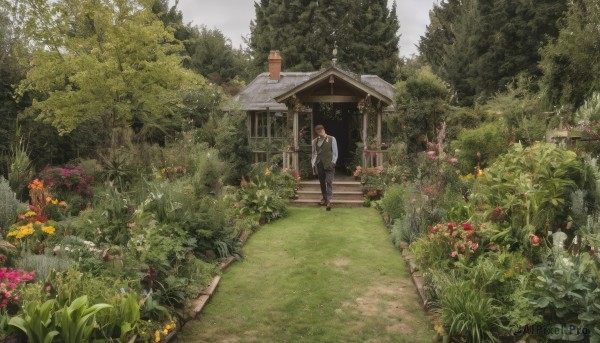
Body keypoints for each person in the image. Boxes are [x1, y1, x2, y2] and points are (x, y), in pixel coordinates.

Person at [311, 124, 338, 210]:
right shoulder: (314, 141)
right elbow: (314, 153)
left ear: (324, 130)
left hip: (329, 164)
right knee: (322, 182)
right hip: (319, 164)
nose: (320, 132)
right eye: (318, 131)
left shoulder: (331, 138)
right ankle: (324, 198)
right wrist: (313, 163)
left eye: (321, 130)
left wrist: (333, 162)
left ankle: (329, 200)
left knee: (329, 181)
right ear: (317, 132)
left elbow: (335, 152)